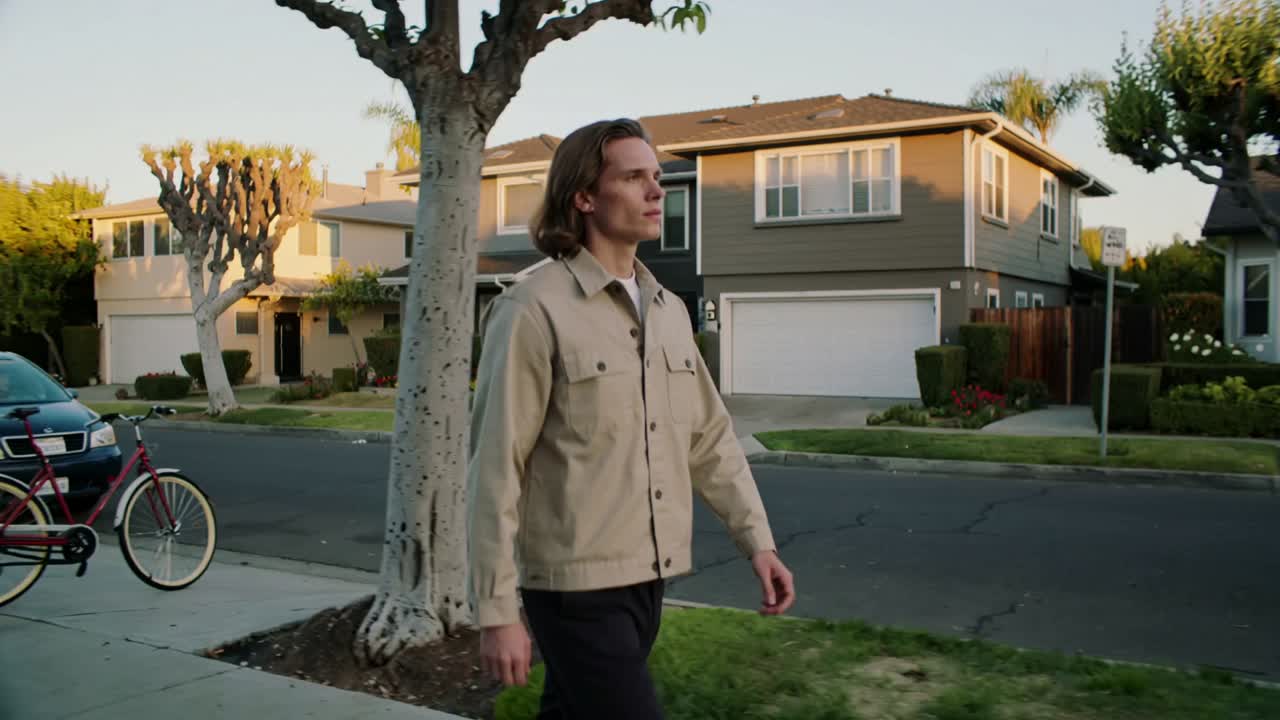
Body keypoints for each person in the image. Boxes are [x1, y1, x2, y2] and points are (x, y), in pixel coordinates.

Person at [467, 118, 795, 719]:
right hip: (573, 587)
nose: (656, 191)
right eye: (634, 177)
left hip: (648, 578)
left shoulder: (667, 310)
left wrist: (759, 543)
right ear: (585, 197)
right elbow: (495, 466)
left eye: (658, 177)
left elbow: (710, 438)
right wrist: (495, 610)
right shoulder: (533, 309)